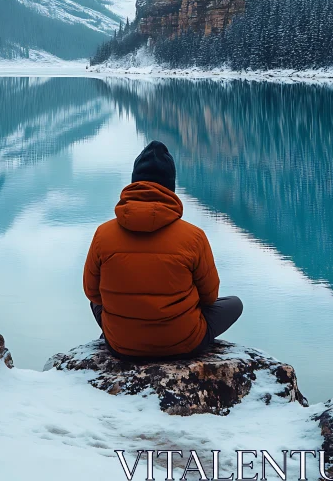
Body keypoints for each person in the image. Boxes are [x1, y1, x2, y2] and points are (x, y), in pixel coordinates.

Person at [83, 140, 243, 360]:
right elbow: (210, 296)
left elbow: (92, 293)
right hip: (183, 343)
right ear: (171, 187)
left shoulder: (103, 233)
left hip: (121, 346)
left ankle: (126, 333)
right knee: (234, 304)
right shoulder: (194, 236)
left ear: (133, 184)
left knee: (97, 301)